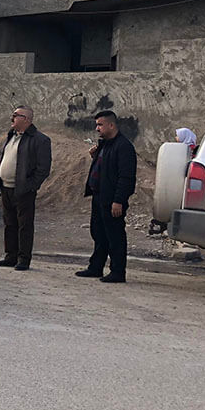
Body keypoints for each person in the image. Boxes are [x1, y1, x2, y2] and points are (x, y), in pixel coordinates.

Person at [76, 110, 137, 283]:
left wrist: (118, 200)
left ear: (111, 125)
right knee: (98, 233)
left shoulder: (123, 147)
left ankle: (117, 272)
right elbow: (105, 169)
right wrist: (95, 157)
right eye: (97, 125)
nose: (97, 128)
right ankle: (96, 267)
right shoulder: (105, 145)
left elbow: (126, 177)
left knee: (114, 236)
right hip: (99, 196)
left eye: (100, 125)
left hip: (112, 200)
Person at [0, 105, 53, 271]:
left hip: (24, 190)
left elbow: (43, 169)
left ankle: (23, 259)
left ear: (26, 119)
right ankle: (10, 256)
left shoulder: (40, 140)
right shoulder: (11, 135)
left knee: (24, 225)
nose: (12, 118)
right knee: (9, 223)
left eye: (16, 115)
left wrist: (30, 186)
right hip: (6, 188)